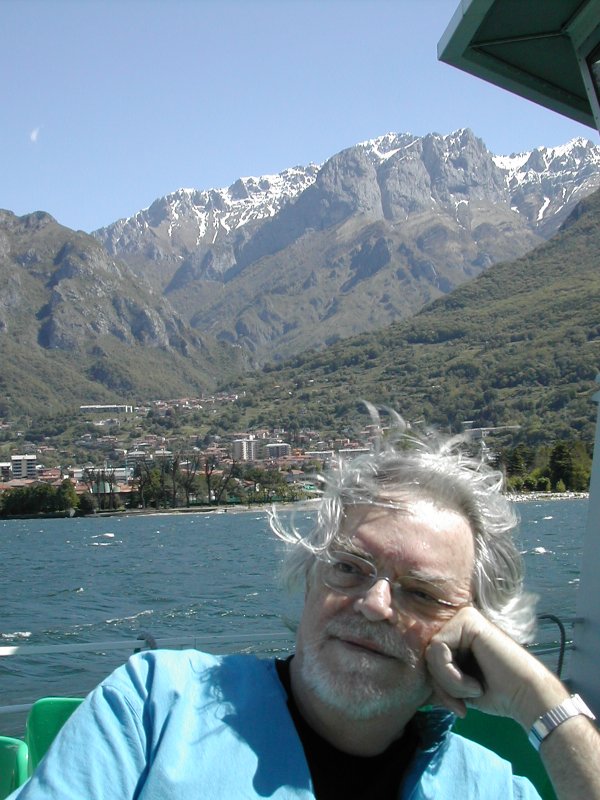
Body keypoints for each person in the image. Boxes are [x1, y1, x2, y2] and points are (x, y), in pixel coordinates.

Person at [8, 410, 600, 799]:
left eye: (419, 592)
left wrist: (538, 698)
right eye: (348, 567)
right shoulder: (153, 705)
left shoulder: (493, 789)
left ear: (473, 630)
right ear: (309, 577)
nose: (373, 603)